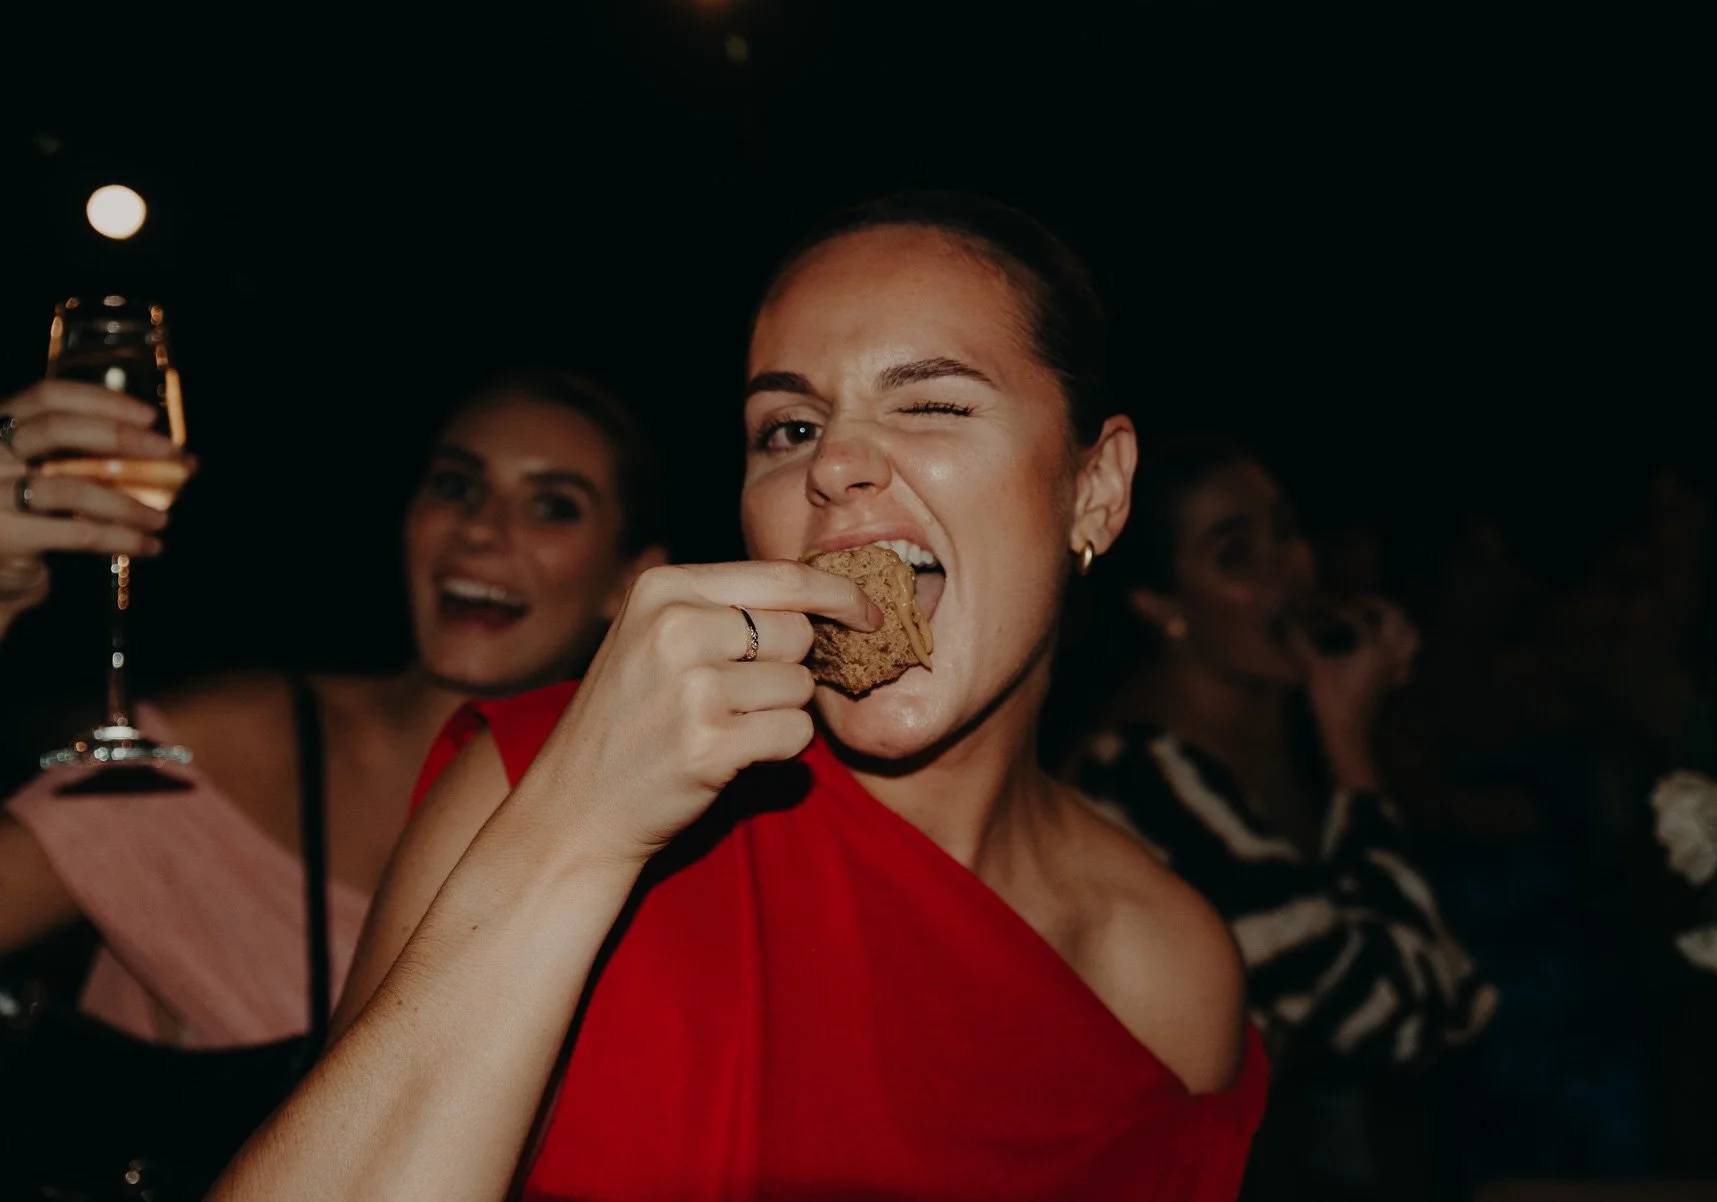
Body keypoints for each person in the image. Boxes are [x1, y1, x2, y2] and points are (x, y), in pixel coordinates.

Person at [210, 192, 1267, 1202]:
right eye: (789, 429)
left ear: (1096, 487)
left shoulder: (1169, 969)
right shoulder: (535, 779)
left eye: (933, 402)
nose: (837, 463)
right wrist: (570, 833)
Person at [0, 368, 666, 1047]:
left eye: (554, 506)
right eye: (457, 486)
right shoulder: (234, 745)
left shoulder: (638, 846)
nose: (482, 532)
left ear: (629, 582)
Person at [1065, 432, 1495, 1199]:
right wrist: (1353, 753)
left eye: (1287, 530)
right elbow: (1410, 1018)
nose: (1288, 570)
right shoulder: (1150, 782)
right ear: (1161, 604)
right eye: (1236, 556)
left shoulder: (1273, 736)